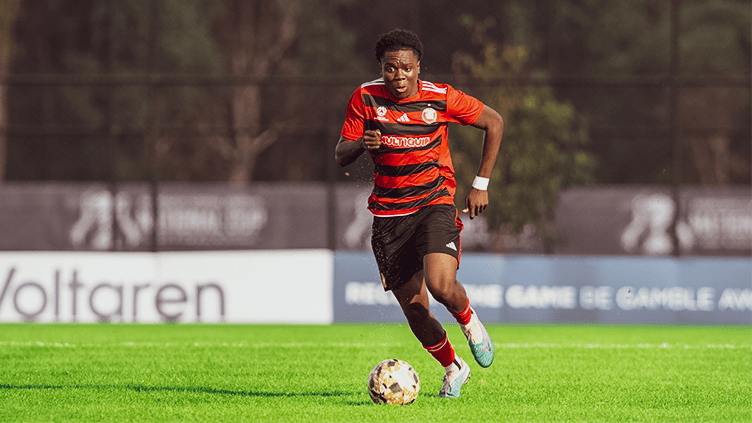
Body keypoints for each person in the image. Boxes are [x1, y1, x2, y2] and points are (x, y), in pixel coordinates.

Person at [335, 29, 503, 399]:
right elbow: (341, 154)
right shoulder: (365, 97)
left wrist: (481, 184)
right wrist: (362, 143)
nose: (398, 76)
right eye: (390, 68)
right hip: (389, 216)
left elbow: (494, 122)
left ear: (418, 67)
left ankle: (469, 321)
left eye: (406, 68)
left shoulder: (441, 97)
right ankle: (453, 367)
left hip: (433, 203)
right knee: (415, 310)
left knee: (441, 286)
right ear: (381, 68)